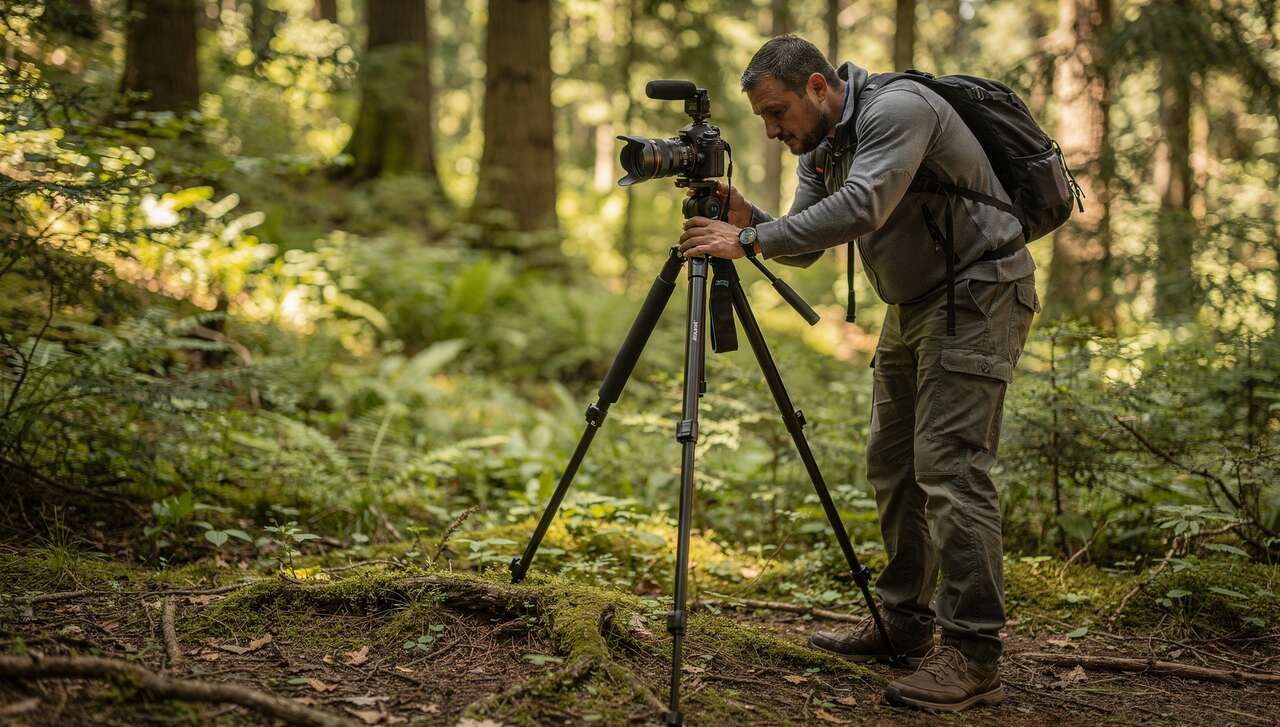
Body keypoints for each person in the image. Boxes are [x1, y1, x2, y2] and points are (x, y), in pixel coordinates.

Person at [676, 34, 1039, 713]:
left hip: (980, 291)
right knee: (892, 462)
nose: (773, 129)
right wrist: (748, 217)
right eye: (762, 118)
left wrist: (745, 241)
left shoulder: (898, 109)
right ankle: (904, 623)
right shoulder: (819, 145)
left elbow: (864, 207)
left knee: (950, 467)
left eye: (777, 111)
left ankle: (974, 655)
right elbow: (808, 239)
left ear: (819, 86)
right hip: (915, 303)